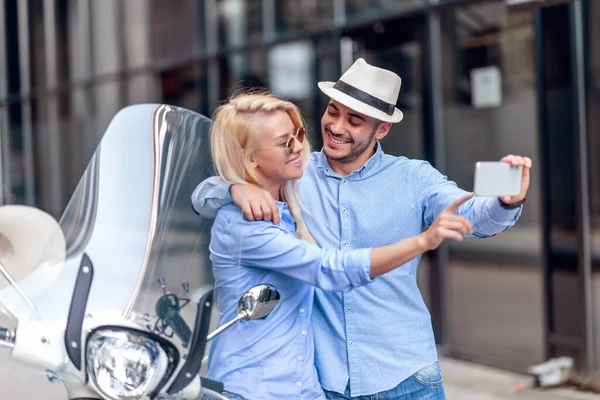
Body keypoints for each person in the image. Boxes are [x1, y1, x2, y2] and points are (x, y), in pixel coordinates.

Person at [194, 60, 532, 399]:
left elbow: (470, 213)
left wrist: (505, 202)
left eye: (354, 121)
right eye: (333, 112)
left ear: (381, 130)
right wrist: (234, 188)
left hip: (406, 378)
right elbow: (205, 194)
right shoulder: (295, 171)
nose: (336, 126)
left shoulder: (413, 178)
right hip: (328, 381)